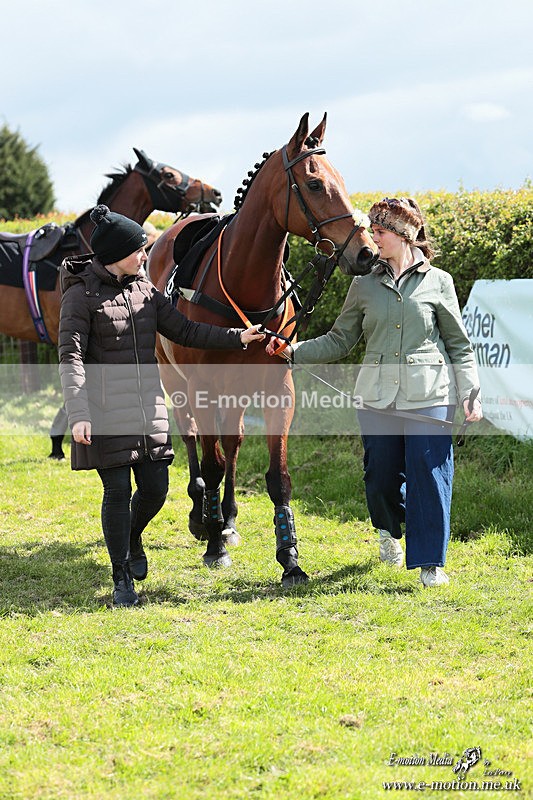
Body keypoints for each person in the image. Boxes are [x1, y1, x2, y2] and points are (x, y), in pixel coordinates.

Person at [267, 197, 482, 587]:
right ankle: (388, 529)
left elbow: (459, 345)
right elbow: (339, 339)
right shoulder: (363, 285)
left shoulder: (440, 282)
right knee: (380, 477)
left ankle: (431, 562)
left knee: (430, 476)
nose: (373, 238)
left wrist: (470, 392)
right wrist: (293, 353)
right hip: (376, 396)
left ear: (403, 235)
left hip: (430, 394)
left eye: (380, 231)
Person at [59, 204, 264, 607]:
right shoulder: (79, 296)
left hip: (147, 407)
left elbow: (186, 330)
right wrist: (78, 411)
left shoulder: (145, 290)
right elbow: (71, 357)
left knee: (155, 489)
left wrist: (238, 338)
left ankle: (132, 540)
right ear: (116, 253)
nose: (145, 255)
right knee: (117, 491)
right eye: (138, 249)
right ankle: (122, 579)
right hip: (102, 410)